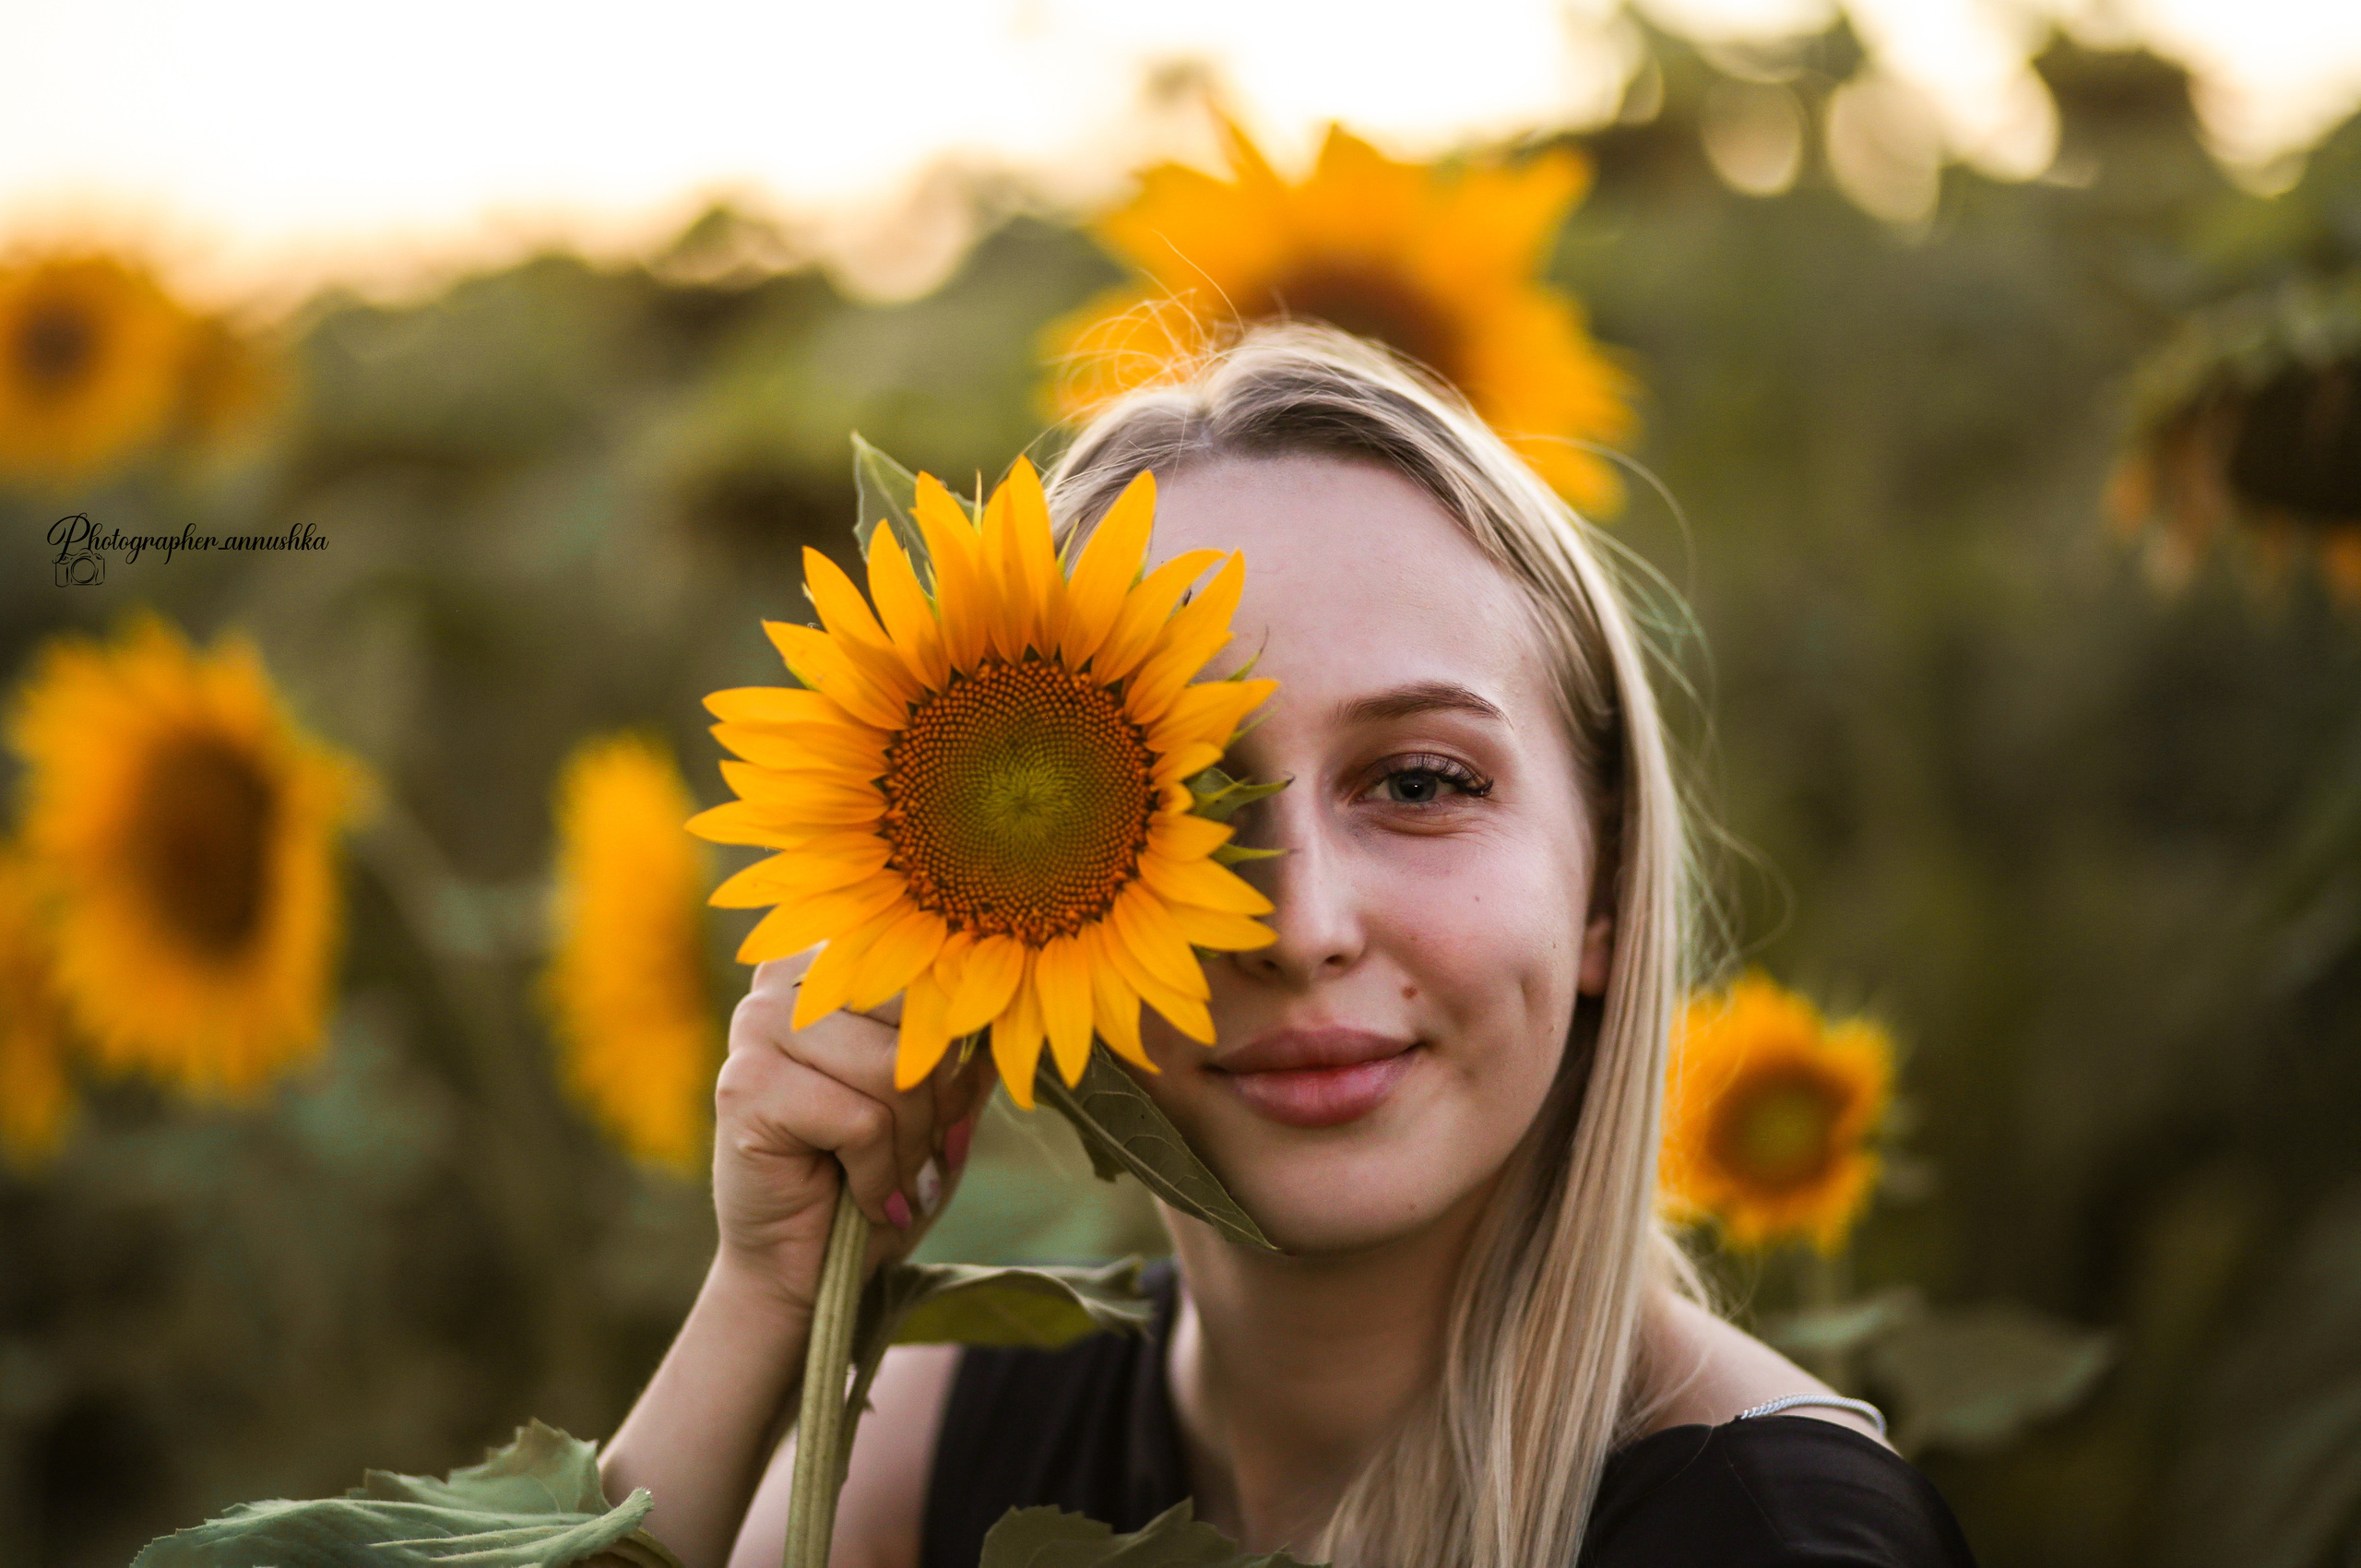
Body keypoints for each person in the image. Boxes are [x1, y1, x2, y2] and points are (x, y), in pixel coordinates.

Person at [598, 327, 1978, 1568]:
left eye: (1423, 782)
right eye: (1174, 806)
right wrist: (769, 1296)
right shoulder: (952, 1424)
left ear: (1605, 886)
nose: (1303, 925)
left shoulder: (1772, 1542)